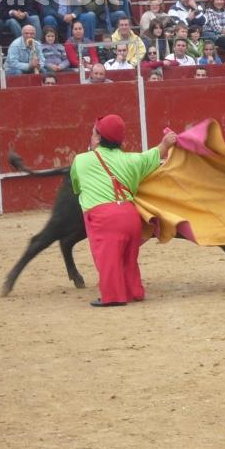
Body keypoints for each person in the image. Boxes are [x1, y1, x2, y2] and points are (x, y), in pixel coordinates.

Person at [70, 115, 177, 307]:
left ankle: (112, 297)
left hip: (103, 218)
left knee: (107, 258)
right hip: (130, 216)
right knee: (129, 257)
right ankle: (134, 291)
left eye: (94, 132)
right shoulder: (132, 160)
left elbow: (77, 188)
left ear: (98, 138)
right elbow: (157, 153)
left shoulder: (81, 161)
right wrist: (167, 142)